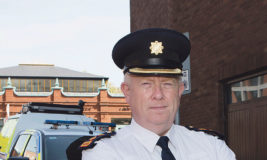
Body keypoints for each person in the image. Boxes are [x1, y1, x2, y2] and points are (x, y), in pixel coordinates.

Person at [81, 28, 236, 160]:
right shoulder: (104, 153)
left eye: (167, 84)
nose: (158, 94)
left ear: (180, 90)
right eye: (146, 84)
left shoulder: (212, 147)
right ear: (127, 92)